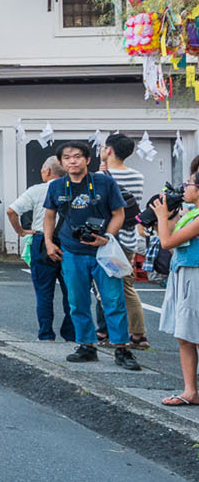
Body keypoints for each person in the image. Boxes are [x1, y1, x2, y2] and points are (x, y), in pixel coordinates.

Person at [41, 140, 141, 370]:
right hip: (72, 252)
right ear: (61, 162)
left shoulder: (104, 182)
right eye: (67, 157)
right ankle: (86, 345)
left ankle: (121, 349)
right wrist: (48, 242)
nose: (72, 161)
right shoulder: (57, 187)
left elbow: (118, 213)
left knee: (113, 300)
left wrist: (107, 237)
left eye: (77, 156)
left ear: (87, 159)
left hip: (103, 252)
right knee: (77, 302)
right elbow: (49, 216)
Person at [7, 158, 75, 342]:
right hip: (69, 242)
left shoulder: (37, 190)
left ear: (47, 171)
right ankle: (71, 333)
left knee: (44, 291)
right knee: (72, 291)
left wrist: (20, 231)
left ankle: (46, 333)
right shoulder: (73, 189)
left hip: (41, 241)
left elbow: (11, 211)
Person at [151, 169, 199, 406]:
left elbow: (167, 242)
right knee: (185, 336)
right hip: (182, 272)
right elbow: (170, 243)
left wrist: (161, 217)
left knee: (195, 333)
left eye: (189, 184)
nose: (184, 188)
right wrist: (166, 216)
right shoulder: (190, 214)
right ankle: (190, 390)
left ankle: (192, 390)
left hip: (195, 274)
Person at [100, 133, 149, 348]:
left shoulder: (101, 177)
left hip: (108, 239)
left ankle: (111, 333)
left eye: (103, 147)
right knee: (127, 286)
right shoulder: (138, 177)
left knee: (108, 289)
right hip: (128, 239)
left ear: (109, 150)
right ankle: (138, 334)